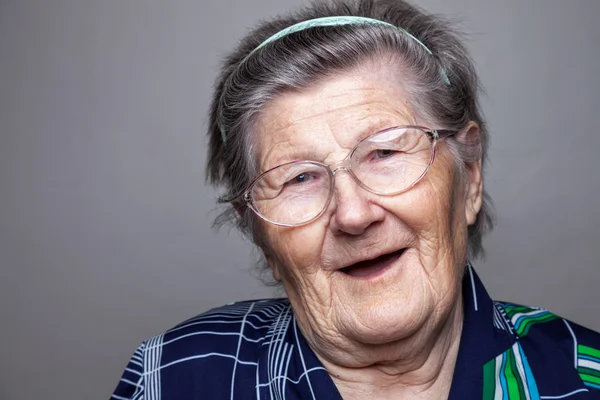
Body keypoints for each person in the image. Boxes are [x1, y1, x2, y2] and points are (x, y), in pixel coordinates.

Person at [111, 0, 600, 398]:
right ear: (259, 232)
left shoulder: (586, 378)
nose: (353, 213)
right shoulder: (174, 378)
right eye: (299, 178)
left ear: (469, 178)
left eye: (385, 152)